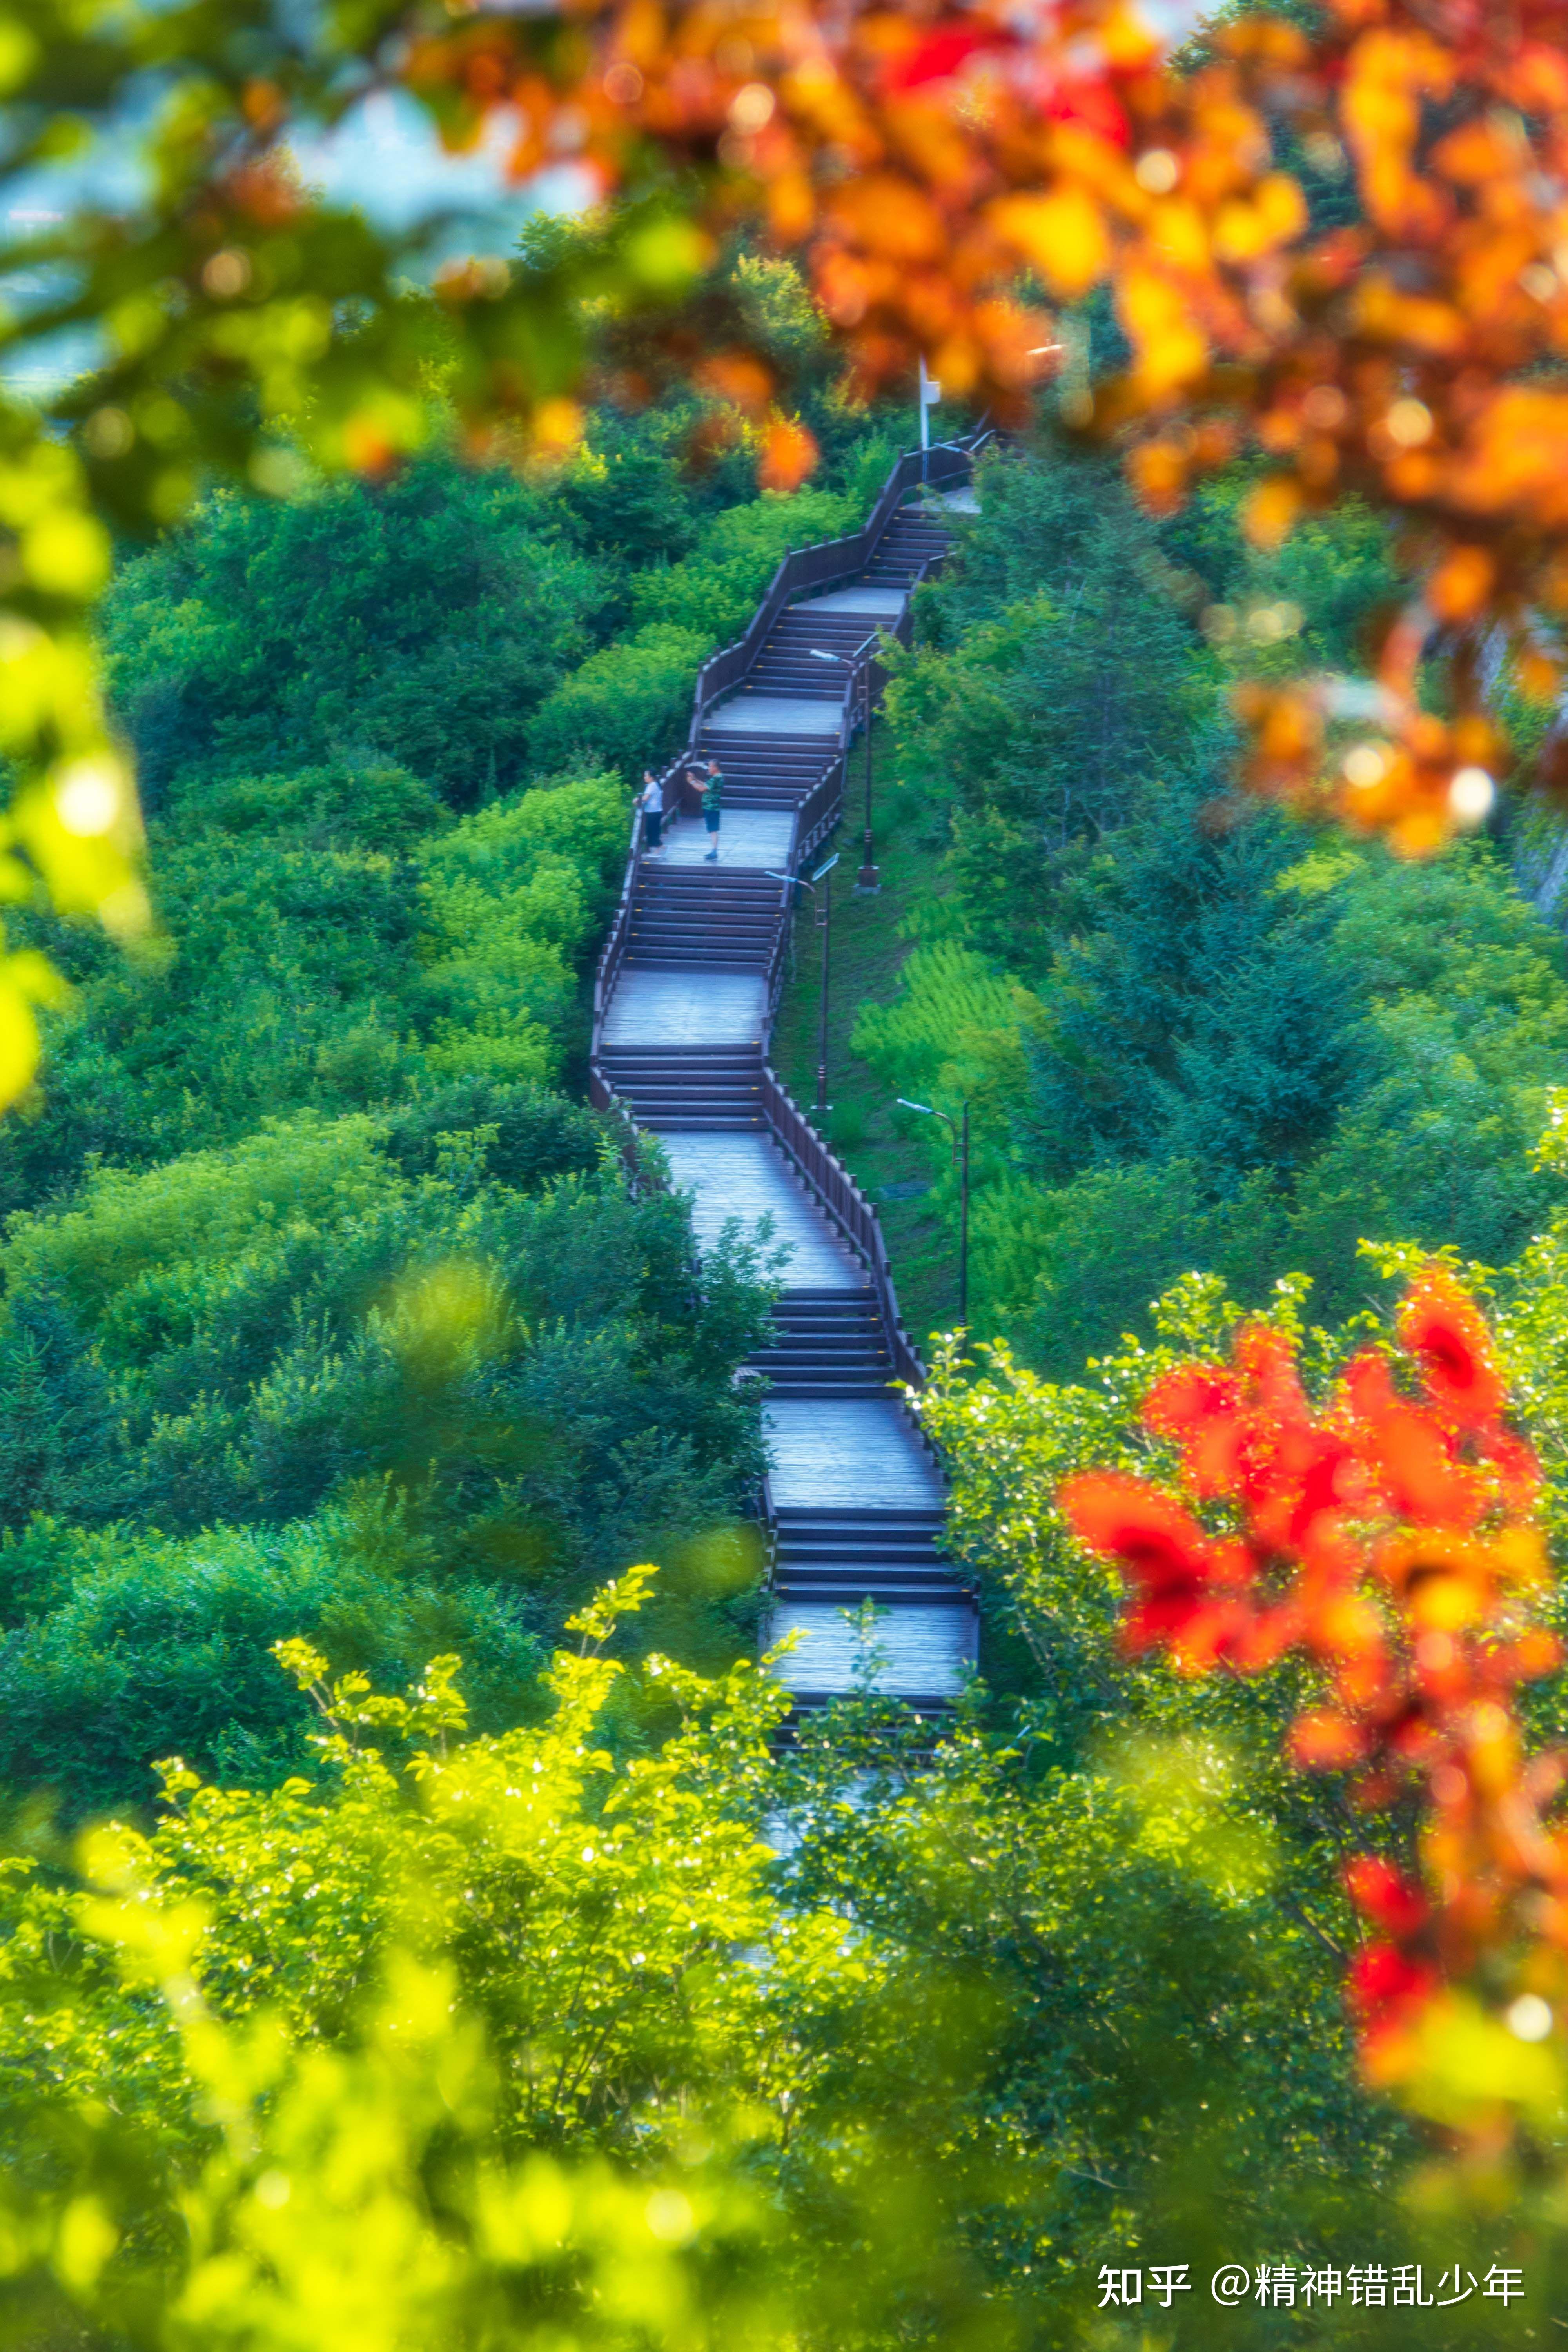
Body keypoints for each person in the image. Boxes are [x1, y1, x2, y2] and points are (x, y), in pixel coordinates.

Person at [699, 757, 723, 860]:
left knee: (713, 830)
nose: (708, 768)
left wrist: (691, 782)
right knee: (712, 830)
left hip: (712, 807)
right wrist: (695, 779)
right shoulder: (718, 777)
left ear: (715, 768)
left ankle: (714, 852)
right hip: (712, 807)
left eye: (710, 766)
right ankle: (714, 851)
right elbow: (706, 785)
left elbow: (702, 789)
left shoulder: (716, 778)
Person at [639, 769, 664, 855]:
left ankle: (657, 850)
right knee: (652, 831)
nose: (645, 777)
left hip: (654, 812)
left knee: (652, 831)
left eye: (647, 776)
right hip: (654, 811)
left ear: (652, 778)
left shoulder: (652, 785)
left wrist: (637, 800)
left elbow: (645, 798)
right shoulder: (654, 784)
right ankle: (661, 847)